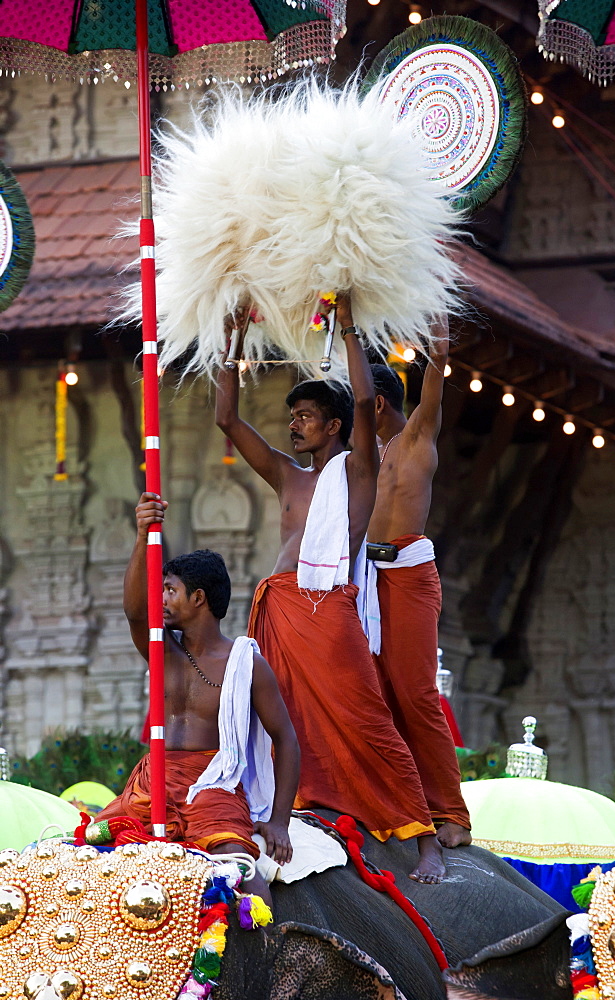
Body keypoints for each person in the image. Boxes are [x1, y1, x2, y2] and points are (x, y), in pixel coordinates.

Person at [216, 294, 448, 884]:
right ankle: (289, 811)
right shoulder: (286, 477)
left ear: (336, 426)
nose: (294, 424)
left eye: (307, 415)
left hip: (330, 609)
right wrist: (233, 340)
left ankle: (423, 840)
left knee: (367, 717)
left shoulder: (359, 471)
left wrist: (345, 325)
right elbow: (226, 421)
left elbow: (367, 397)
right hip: (280, 607)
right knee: (280, 715)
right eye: (292, 417)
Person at [95, 492, 300, 904]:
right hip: (153, 783)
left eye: (170, 590)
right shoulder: (161, 648)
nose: (162, 599)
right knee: (92, 853)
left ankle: (267, 954)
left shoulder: (246, 662)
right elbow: (136, 612)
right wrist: (141, 535)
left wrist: (279, 821)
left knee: (240, 872)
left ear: (198, 598)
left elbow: (288, 740)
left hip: (214, 784)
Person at [365, 317, 471, 849]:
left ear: (378, 403)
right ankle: (399, 803)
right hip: (367, 580)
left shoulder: (417, 434)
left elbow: (435, 377)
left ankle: (452, 813)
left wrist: (438, 337)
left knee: (416, 693)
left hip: (408, 573)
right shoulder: (362, 457)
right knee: (375, 694)